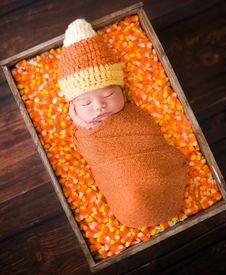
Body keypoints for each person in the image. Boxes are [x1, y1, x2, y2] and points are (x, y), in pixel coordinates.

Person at [58, 18, 187, 228]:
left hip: (153, 171)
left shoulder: (135, 116)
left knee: (152, 182)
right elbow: (89, 151)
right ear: (72, 108)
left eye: (109, 93)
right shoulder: (83, 131)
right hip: (122, 188)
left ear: (123, 91)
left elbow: (151, 137)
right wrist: (82, 124)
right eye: (85, 102)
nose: (99, 106)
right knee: (133, 196)